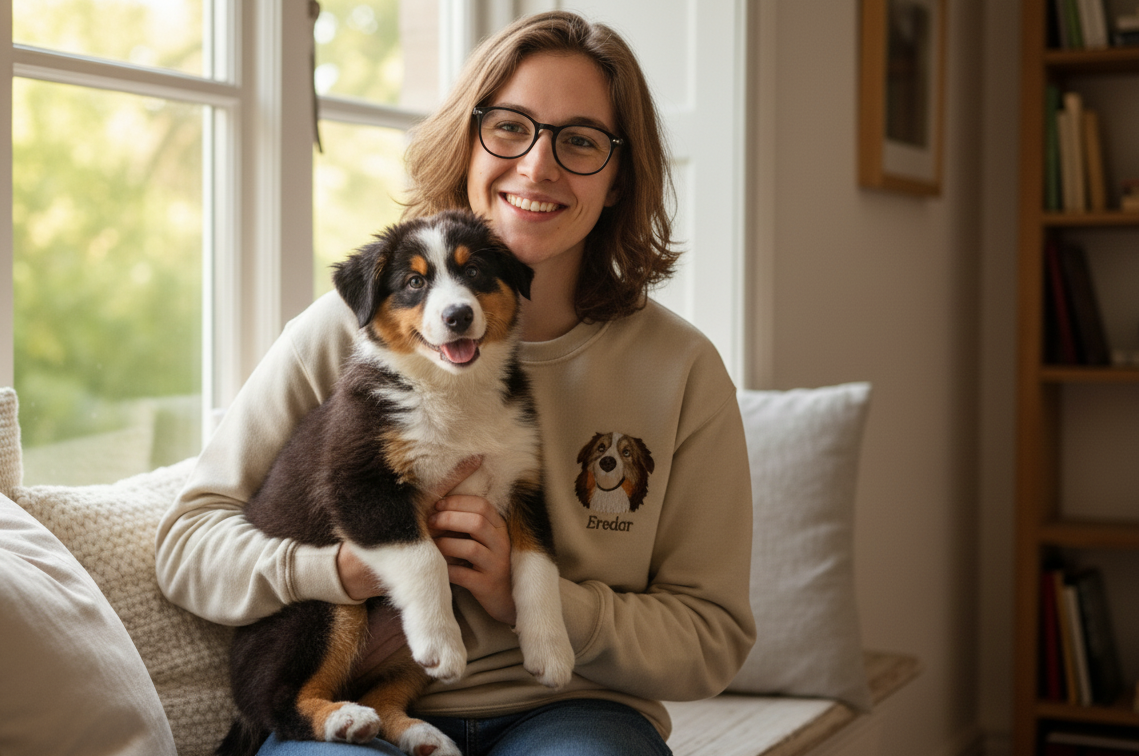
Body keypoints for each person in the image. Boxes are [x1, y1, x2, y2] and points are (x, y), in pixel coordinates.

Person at [155, 10, 754, 756]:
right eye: (510, 127)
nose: (537, 167)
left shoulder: (681, 368)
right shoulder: (355, 328)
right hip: (351, 705)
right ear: (467, 140)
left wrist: (532, 599)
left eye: (580, 141)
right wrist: (341, 570)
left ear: (619, 176)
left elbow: (712, 637)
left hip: (572, 710)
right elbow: (185, 546)